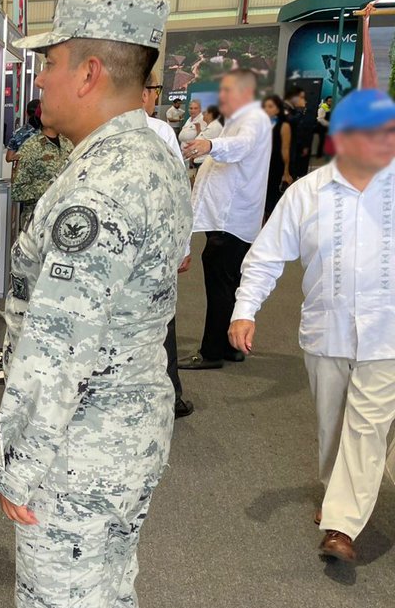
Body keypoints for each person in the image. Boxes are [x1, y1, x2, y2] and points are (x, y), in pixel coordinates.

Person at [0, 0, 191, 608]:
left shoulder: (101, 186)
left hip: (84, 433)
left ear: (90, 70)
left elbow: (55, 346)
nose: (38, 80)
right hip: (133, 410)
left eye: (47, 64)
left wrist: (20, 465)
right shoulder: (149, 152)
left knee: (63, 594)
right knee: (106, 581)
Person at [229, 89, 395, 565]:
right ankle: (336, 494)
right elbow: (264, 256)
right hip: (328, 331)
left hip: (387, 333)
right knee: (333, 426)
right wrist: (245, 309)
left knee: (367, 426)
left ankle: (342, 525)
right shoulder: (307, 193)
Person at [178, 70, 271, 369]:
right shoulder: (233, 119)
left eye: (228, 90)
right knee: (226, 283)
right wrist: (202, 143)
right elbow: (212, 137)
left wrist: (211, 147)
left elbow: (240, 146)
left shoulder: (253, 119)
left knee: (220, 284)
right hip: (226, 218)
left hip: (231, 220)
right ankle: (228, 347)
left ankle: (212, 351)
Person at [143, 74, 194, 418]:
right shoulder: (160, 131)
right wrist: (184, 245)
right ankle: (170, 397)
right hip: (157, 248)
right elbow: (180, 193)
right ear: (144, 92)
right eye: (156, 91)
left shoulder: (95, 127)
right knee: (163, 324)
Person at [8, 124, 72, 230]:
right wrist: (51, 189)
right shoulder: (31, 146)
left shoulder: (68, 144)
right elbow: (18, 190)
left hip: (63, 217)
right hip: (37, 220)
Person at [262, 94, 294, 219]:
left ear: (278, 109)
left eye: (270, 106)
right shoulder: (260, 124)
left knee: (271, 196)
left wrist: (286, 172)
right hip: (260, 165)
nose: (266, 109)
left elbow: (285, 149)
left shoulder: (283, 126)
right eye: (264, 107)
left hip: (275, 165)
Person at [285, 86, 317, 179]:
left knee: (295, 164)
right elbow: (292, 121)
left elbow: (302, 127)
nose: (302, 100)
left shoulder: (295, 110)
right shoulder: (286, 108)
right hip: (288, 143)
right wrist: (300, 110)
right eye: (301, 97)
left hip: (297, 142)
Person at [5, 98, 42, 162]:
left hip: (22, 170)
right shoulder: (49, 132)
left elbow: (9, 158)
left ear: (26, 113)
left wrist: (24, 155)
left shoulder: (17, 133)